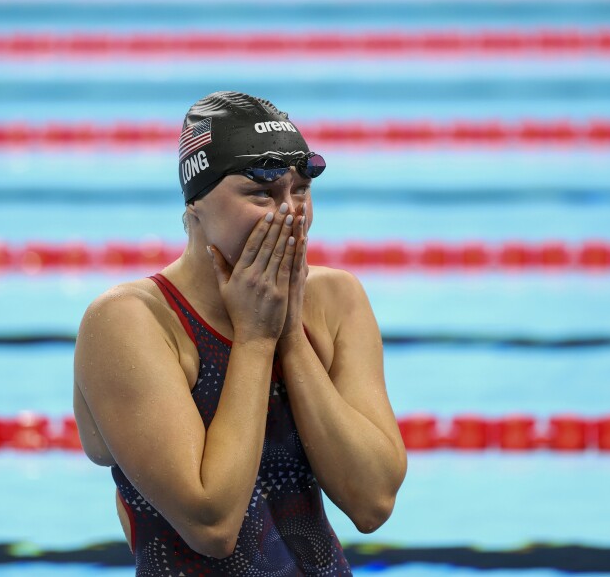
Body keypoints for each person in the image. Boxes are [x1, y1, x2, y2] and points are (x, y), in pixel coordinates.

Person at [73, 91, 407, 575]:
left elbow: (373, 501)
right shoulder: (132, 322)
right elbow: (211, 524)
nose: (291, 212)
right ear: (197, 204)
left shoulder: (335, 300)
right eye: (261, 193)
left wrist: (290, 334)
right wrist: (255, 337)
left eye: (300, 190)